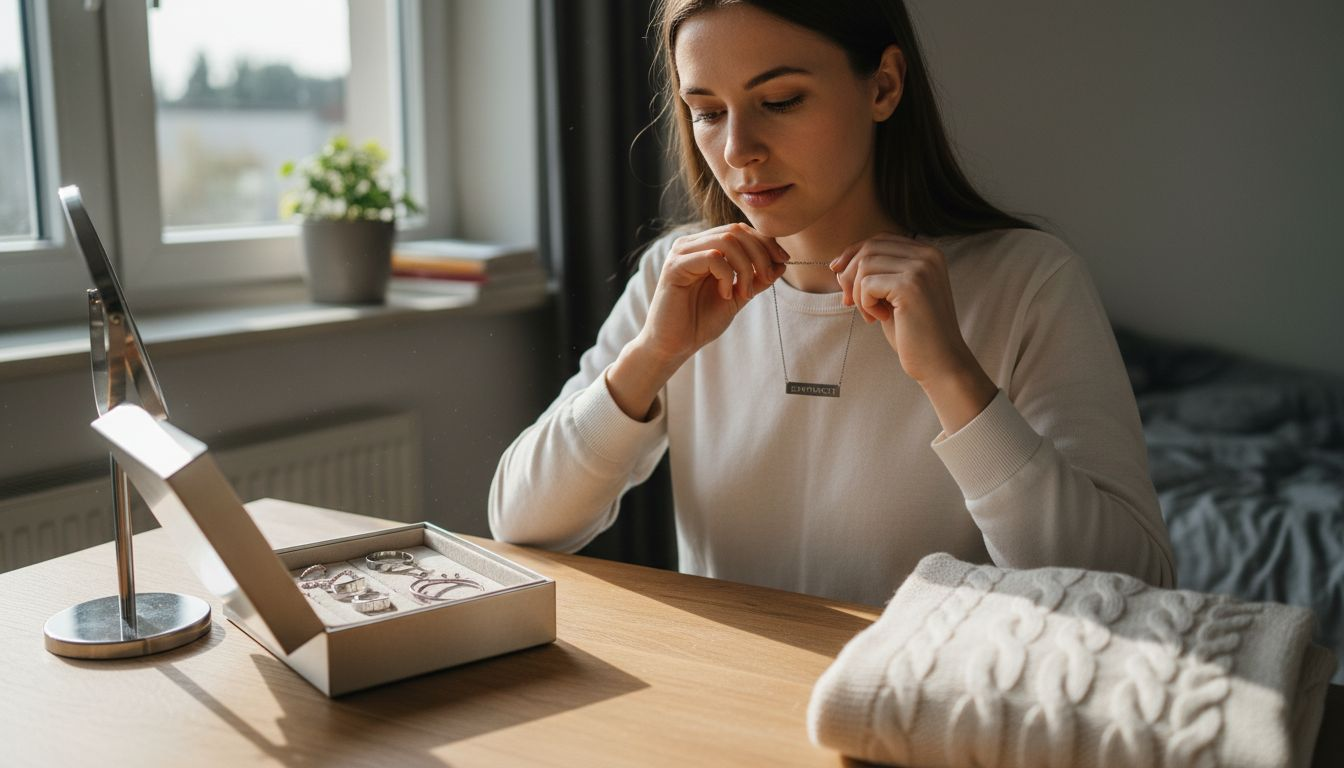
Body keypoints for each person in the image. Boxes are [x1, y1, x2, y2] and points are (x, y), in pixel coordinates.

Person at [489, 0, 1174, 605]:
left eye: (780, 100)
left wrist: (954, 377)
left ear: (883, 85)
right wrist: (653, 354)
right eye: (707, 112)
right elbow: (520, 522)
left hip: (925, 718)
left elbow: (1134, 585)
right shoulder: (678, 279)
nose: (739, 151)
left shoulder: (1029, 282)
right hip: (724, 713)